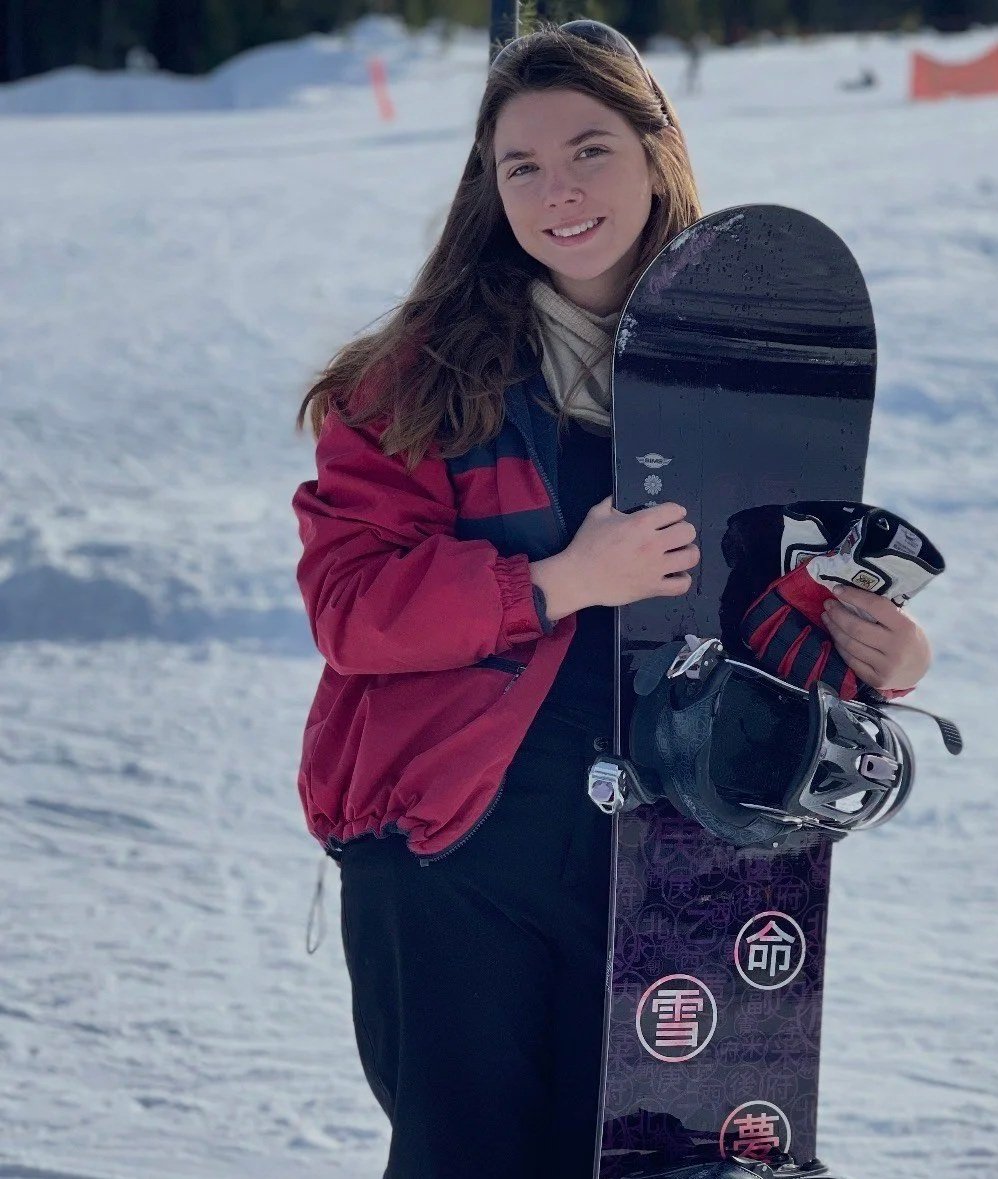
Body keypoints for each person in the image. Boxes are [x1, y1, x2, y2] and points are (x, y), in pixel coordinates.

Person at [291, 22, 932, 1179]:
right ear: (487, 190)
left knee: (643, 1158)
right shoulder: (414, 381)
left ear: (657, 151)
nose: (558, 191)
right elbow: (349, 605)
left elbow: (772, 602)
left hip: (667, 853)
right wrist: (558, 583)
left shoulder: (741, 368)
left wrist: (875, 655)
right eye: (520, 166)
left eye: (590, 150)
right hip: (456, 852)